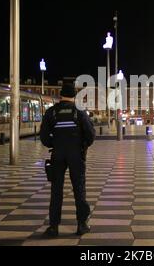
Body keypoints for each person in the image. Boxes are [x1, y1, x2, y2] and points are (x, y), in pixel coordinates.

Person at [40, 83, 96, 237]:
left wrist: (55, 144)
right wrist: (82, 145)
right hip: (76, 155)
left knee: (56, 190)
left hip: (57, 154)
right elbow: (91, 135)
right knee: (79, 188)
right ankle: (81, 225)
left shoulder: (51, 112)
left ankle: (53, 227)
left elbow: (44, 138)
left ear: (61, 95)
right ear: (74, 96)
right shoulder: (79, 112)